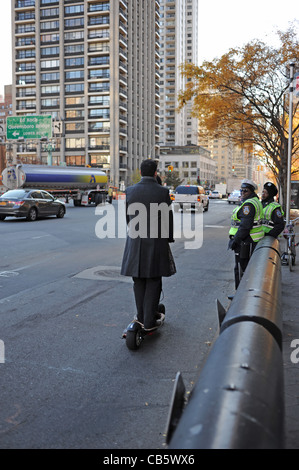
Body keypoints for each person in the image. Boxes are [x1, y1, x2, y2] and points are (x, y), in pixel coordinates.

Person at [121, 159, 176, 332]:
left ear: (140, 171)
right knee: (153, 280)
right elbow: (167, 219)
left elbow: (128, 219)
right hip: (156, 241)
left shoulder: (130, 191)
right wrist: (168, 238)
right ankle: (150, 320)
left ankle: (141, 316)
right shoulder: (162, 192)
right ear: (155, 173)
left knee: (138, 280)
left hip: (135, 241)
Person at [228, 179, 264, 289]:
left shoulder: (248, 205)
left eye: (246, 191)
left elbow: (245, 226)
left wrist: (236, 240)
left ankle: (239, 296)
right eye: (241, 190)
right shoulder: (253, 201)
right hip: (251, 240)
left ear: (252, 192)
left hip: (245, 241)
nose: (243, 193)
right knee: (246, 268)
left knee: (240, 269)